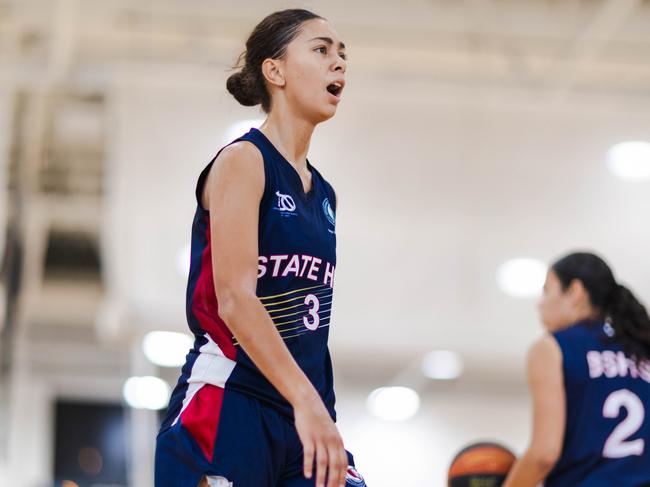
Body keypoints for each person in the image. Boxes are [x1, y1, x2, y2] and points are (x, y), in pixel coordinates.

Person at [154, 9, 366, 487]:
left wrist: (315, 406)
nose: (339, 63)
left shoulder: (325, 195)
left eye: (342, 54)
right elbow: (235, 299)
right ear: (276, 71)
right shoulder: (243, 161)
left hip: (303, 409)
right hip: (231, 398)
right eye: (321, 49)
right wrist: (307, 402)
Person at [503, 251, 650, 487]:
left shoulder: (553, 348)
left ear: (575, 291)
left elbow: (544, 455)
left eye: (547, 291)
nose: (540, 303)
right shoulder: (643, 349)